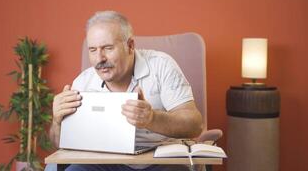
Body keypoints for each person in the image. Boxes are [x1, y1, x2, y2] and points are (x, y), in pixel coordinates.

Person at [46, 11, 203, 171]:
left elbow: (195, 125)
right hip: (102, 163)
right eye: (93, 50)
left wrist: (152, 118)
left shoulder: (162, 66)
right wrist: (57, 122)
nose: (99, 59)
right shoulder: (83, 82)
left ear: (130, 46)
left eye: (108, 48)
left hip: (160, 160)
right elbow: (60, 145)